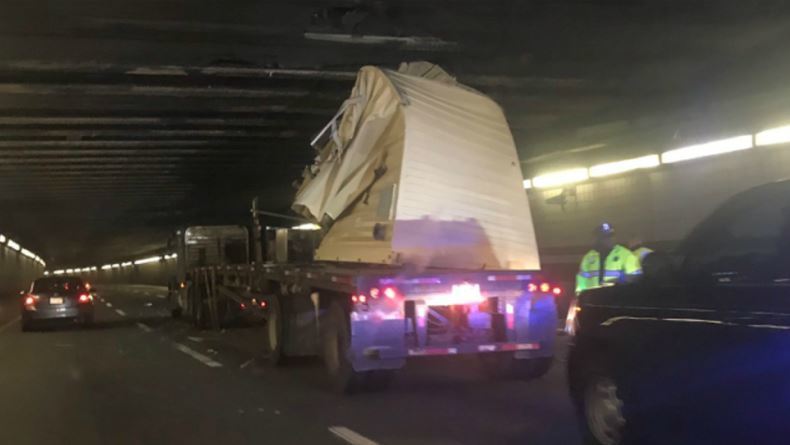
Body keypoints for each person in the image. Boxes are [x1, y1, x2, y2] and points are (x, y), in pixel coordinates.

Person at [575, 223, 642, 295]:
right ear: (598, 239)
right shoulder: (588, 257)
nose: (610, 239)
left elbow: (636, 279)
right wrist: (579, 296)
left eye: (611, 236)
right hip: (593, 300)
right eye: (605, 237)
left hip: (616, 300)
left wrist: (620, 281)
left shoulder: (626, 255)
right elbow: (581, 281)